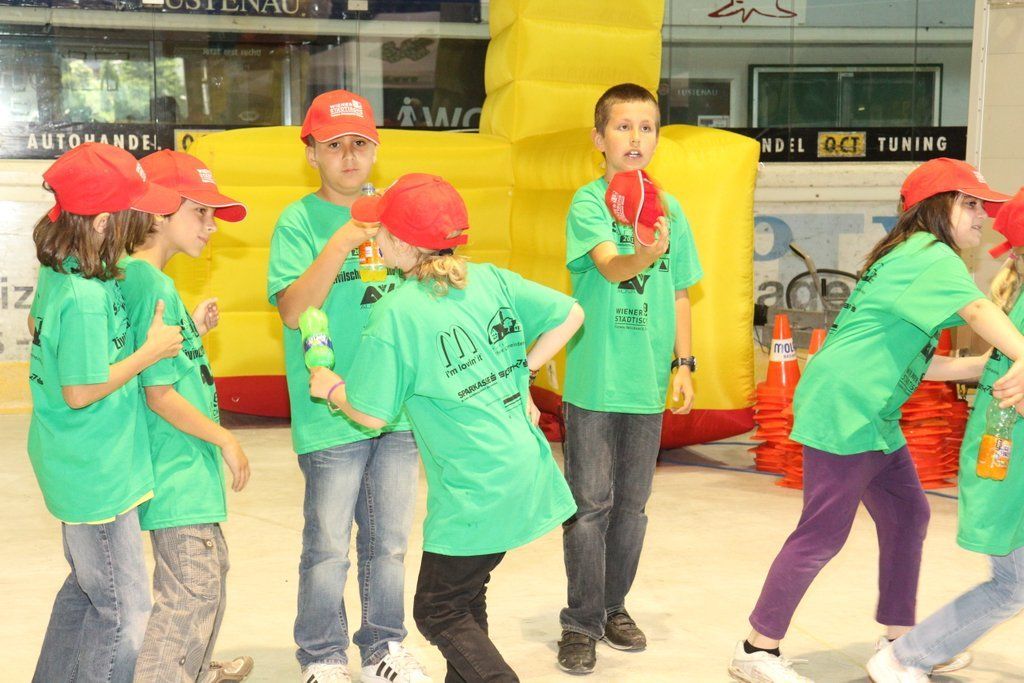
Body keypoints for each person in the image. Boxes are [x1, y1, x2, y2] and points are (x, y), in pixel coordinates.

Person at [728, 159, 1024, 683]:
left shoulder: (908, 255)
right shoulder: (931, 256)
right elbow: (980, 313)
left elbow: (909, 357)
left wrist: (979, 366)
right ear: (937, 208)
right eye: (971, 204)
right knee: (822, 534)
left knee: (908, 516)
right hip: (846, 407)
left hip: (870, 409)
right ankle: (756, 648)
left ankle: (898, 640)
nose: (983, 216)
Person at [309, 173, 585, 682]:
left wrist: (330, 388)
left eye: (381, 230)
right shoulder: (490, 278)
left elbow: (370, 414)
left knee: (437, 609)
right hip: (523, 466)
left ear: (402, 243)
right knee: (465, 595)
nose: (375, 237)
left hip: (475, 485)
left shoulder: (397, 311)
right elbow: (572, 313)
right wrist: (522, 371)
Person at [266, 90, 428, 683]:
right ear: (312, 154)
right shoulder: (298, 221)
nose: (350, 156)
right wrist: (340, 243)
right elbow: (292, 311)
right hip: (330, 412)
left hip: (396, 411)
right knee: (329, 544)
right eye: (334, 145)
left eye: (360, 142)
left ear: (376, 149)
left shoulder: (399, 214)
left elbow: (428, 292)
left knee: (389, 542)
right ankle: (322, 654)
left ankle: (384, 646)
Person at [557, 82, 703, 675]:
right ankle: (579, 622)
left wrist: (684, 364)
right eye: (623, 126)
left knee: (632, 508)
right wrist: (644, 252)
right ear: (599, 139)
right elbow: (612, 267)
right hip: (595, 383)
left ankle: (614, 607)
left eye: (647, 127)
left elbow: (683, 292)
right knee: (589, 506)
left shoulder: (673, 210)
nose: (636, 137)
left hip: (645, 385)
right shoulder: (588, 202)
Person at [27, 142, 182, 682]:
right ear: (100, 223)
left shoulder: (68, 272)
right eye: (131, 210)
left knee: (87, 590)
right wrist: (149, 352)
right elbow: (79, 390)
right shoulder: (84, 296)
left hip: (82, 460)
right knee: (125, 611)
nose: (143, 219)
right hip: (94, 473)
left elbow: (41, 330)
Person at [867, 188, 1024, 682]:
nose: (978, 215)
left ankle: (909, 653)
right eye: (968, 205)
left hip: (1004, 458)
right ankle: (905, 656)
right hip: (1008, 462)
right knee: (1012, 585)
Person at [121, 149, 254, 683]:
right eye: (200, 211)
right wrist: (226, 439)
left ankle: (193, 671)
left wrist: (192, 330)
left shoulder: (151, 281)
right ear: (157, 212)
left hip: (185, 470)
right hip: (175, 469)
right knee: (191, 591)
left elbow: (156, 361)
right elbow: (158, 394)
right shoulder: (149, 282)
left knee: (209, 575)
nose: (212, 225)